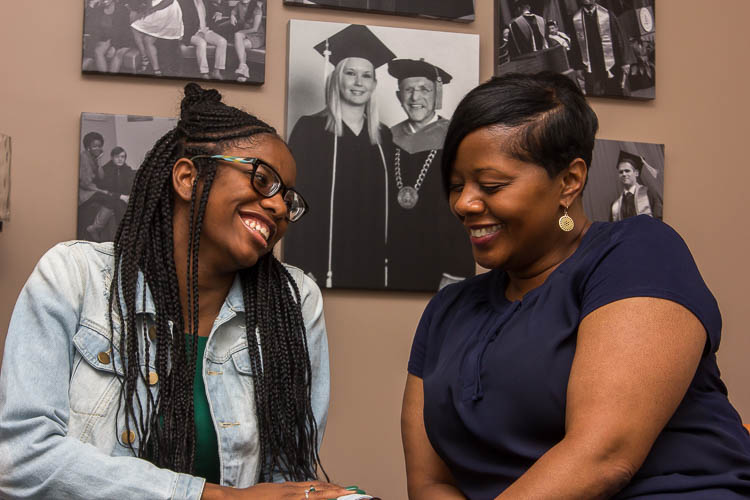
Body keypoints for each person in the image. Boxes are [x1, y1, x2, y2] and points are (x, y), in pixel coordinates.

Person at [401, 73, 750, 499]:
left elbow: (603, 456)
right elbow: (431, 483)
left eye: (491, 186)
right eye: (456, 186)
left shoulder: (636, 252)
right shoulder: (447, 310)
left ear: (569, 181)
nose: (464, 204)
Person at [0, 83, 354, 500]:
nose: (279, 207)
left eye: (288, 199)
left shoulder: (296, 300)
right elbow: (20, 458)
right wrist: (212, 497)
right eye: (262, 180)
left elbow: (288, 478)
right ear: (188, 178)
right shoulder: (73, 276)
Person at [284, 24, 396, 290]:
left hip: (371, 261)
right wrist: (301, 264)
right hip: (322, 260)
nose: (359, 83)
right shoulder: (310, 129)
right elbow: (293, 200)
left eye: (366, 76)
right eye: (350, 73)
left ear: (374, 84)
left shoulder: (384, 137)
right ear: (336, 78)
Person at [386, 58, 474, 291]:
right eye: (408, 90)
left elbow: (469, 206)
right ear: (398, 96)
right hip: (392, 263)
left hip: (443, 265)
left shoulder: (457, 141)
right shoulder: (387, 138)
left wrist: (457, 269)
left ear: (437, 94)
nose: (415, 98)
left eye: (424, 89)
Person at [569, 0, 635, 96]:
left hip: (612, 64)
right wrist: (578, 67)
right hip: (591, 66)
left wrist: (625, 62)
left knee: (617, 92)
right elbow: (575, 45)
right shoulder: (575, 19)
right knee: (596, 95)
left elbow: (620, 38)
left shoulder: (607, 15)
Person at [77, 131, 118, 241]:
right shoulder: (84, 157)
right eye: (94, 146)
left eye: (99, 146)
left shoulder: (93, 158)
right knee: (111, 200)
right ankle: (94, 229)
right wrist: (102, 191)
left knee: (112, 208)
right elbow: (85, 183)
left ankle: (107, 236)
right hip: (85, 194)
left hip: (92, 190)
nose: (98, 148)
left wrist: (99, 161)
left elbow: (101, 177)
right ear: (88, 147)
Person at [130, 0, 184, 76]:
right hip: (158, 9)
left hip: (166, 10)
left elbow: (169, 1)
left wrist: (151, 10)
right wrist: (148, 8)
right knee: (147, 40)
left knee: (135, 27)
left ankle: (146, 60)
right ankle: (156, 71)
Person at [179, 0, 228, 80]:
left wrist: (218, 12)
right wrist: (195, 32)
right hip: (190, 33)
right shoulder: (184, 2)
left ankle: (216, 71)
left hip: (205, 30)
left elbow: (215, 7)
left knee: (222, 41)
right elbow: (180, 20)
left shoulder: (205, 1)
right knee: (202, 43)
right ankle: (204, 73)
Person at [96, 146, 137, 238]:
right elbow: (105, 189)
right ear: (112, 157)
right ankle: (124, 233)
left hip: (123, 197)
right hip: (108, 197)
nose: (120, 159)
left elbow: (131, 184)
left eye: (122, 157)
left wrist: (130, 195)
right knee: (118, 204)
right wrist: (121, 196)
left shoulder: (127, 169)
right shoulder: (106, 169)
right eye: (117, 157)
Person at [610, 150, 662, 221]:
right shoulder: (615, 205)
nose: (624, 174)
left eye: (627, 171)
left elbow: (659, 221)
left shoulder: (650, 194)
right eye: (621, 172)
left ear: (636, 173)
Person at [86, 0, 134, 73]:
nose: (105, 1)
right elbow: (89, 27)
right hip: (106, 38)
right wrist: (91, 5)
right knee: (97, 51)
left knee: (118, 54)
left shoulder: (122, 9)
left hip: (123, 38)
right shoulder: (98, 9)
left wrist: (114, 46)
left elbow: (121, 31)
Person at [232, 0, 266, 83]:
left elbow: (255, 29)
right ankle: (244, 69)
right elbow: (233, 11)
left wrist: (241, 32)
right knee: (239, 42)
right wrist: (232, 16)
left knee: (239, 42)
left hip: (257, 36)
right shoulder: (239, 4)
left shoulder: (257, 9)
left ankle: (243, 70)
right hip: (246, 34)